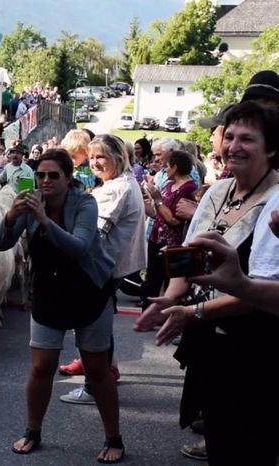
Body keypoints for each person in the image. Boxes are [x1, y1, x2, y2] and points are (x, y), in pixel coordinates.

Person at [135, 101, 279, 466]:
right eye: (229, 136)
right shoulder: (218, 191)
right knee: (219, 437)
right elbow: (187, 257)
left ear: (273, 148)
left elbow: (264, 289)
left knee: (249, 444)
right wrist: (169, 298)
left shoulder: (275, 201)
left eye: (247, 139)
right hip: (212, 344)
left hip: (254, 346)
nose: (233, 146)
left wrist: (194, 311)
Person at [0, 148, 123, 464]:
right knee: (41, 367)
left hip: (88, 287)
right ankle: (33, 431)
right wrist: (11, 216)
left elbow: (79, 247)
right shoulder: (30, 203)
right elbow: (1, 243)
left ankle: (113, 437)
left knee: (97, 368)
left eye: (54, 175)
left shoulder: (85, 203)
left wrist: (41, 219)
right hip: (50, 288)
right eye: (40, 175)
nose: (46, 181)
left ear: (68, 178)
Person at [59, 134, 147, 405]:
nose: (95, 163)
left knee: (92, 325)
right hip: (113, 265)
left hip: (101, 267)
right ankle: (107, 369)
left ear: (117, 158)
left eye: (101, 157)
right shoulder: (123, 182)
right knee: (102, 323)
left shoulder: (115, 189)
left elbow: (93, 233)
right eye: (93, 157)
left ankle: (94, 385)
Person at [139, 151, 198, 307]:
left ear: (175, 167)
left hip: (173, 245)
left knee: (168, 283)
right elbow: (157, 213)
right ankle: (148, 315)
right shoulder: (169, 185)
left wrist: (157, 200)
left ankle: (164, 316)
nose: (165, 170)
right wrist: (145, 200)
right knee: (152, 280)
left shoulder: (189, 188)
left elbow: (173, 220)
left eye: (167, 166)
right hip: (156, 238)